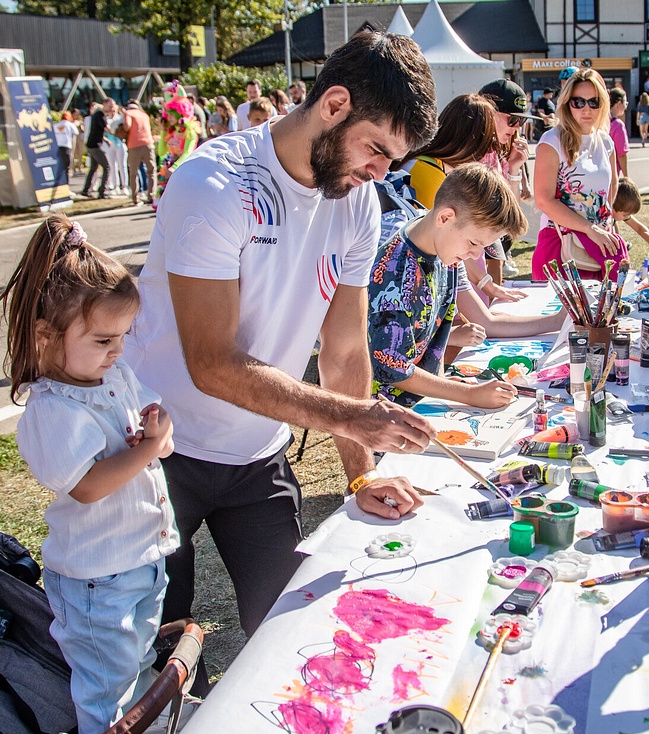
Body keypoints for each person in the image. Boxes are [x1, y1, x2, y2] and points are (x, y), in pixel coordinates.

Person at [125, 33, 438, 683]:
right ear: (334, 104)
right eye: (377, 148)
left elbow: (346, 350)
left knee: (292, 635)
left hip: (255, 457)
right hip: (155, 452)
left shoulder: (358, 201)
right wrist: (351, 420)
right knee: (160, 659)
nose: (383, 171)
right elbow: (211, 362)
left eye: (393, 158)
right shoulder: (215, 184)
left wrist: (361, 475)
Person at [0, 215, 180, 734]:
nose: (118, 351)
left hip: (137, 559)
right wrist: (148, 447)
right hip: (97, 578)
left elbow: (154, 435)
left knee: (139, 664)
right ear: (46, 336)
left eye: (123, 336)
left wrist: (157, 432)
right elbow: (89, 485)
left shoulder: (110, 373)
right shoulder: (53, 409)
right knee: (107, 688)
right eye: (103, 339)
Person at [369, 164, 565, 407]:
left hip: (427, 400)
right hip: (388, 413)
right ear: (445, 217)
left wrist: (449, 383)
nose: (475, 255)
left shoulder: (443, 248)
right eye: (473, 242)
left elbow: (437, 332)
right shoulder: (396, 273)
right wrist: (467, 395)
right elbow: (391, 367)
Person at [398, 93, 523, 303]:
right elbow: (443, 242)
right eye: (488, 142)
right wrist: (485, 284)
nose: (490, 151)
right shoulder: (426, 172)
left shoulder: (437, 169)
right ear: (469, 138)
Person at [532, 68, 627, 281]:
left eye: (594, 102)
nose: (586, 109)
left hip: (600, 247)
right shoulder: (552, 141)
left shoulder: (606, 141)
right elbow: (543, 200)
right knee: (561, 314)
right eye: (578, 102)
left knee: (603, 312)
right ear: (567, 103)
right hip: (560, 247)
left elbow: (611, 189)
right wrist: (589, 228)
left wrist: (601, 227)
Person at [478, 78, 537, 281]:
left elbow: (513, 211)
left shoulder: (498, 151)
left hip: (493, 241)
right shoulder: (472, 149)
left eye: (522, 121)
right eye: (512, 119)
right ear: (488, 113)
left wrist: (514, 168)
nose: (516, 127)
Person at [154, 95, 201, 208]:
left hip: (185, 168)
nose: (168, 117)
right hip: (170, 169)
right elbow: (161, 152)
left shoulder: (189, 131)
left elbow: (188, 152)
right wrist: (162, 131)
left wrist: (175, 167)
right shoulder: (171, 132)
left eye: (171, 114)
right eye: (167, 114)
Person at [612, 176, 649, 253]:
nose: (627, 217)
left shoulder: (618, 213)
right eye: (625, 214)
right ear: (612, 205)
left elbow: (639, 228)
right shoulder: (602, 218)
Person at [123, 101, 155, 206]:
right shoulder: (144, 114)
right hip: (148, 143)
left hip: (134, 145)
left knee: (133, 173)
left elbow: (127, 126)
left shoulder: (128, 113)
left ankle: (135, 198)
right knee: (151, 171)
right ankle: (151, 195)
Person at [81, 102, 110, 199]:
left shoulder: (95, 116)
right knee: (107, 167)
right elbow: (106, 128)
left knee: (93, 167)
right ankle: (102, 191)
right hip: (95, 146)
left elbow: (97, 131)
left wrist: (106, 140)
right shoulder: (100, 116)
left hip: (91, 144)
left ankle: (86, 189)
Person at [53, 111, 79, 189]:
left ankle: (58, 185)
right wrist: (73, 151)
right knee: (66, 169)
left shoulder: (56, 125)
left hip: (57, 148)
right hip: (66, 146)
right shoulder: (70, 125)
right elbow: (75, 136)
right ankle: (66, 186)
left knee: (59, 168)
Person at [608, 87, 630, 178]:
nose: (626, 106)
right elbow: (621, 154)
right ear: (618, 103)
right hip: (611, 174)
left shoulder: (600, 121)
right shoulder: (618, 125)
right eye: (625, 103)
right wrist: (626, 176)